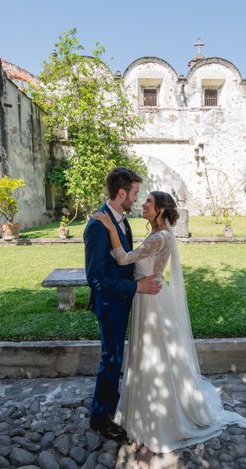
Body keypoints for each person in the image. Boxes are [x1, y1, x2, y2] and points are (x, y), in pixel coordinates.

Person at [93, 191, 246, 453]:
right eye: (142, 199)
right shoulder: (158, 234)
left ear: (160, 210)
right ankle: (147, 408)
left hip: (151, 299)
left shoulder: (160, 237)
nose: (143, 204)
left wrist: (111, 227)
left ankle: (160, 417)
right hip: (149, 294)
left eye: (148, 202)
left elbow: (123, 258)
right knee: (153, 353)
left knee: (154, 355)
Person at [83, 167, 162, 441]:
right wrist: (135, 286)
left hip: (123, 301)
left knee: (115, 358)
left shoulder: (122, 222)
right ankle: (100, 418)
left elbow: (124, 259)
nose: (137, 199)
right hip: (109, 305)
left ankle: (110, 406)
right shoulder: (97, 226)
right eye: (135, 193)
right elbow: (95, 278)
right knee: (111, 359)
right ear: (121, 193)